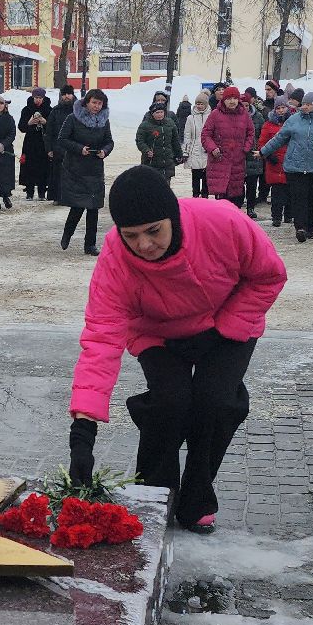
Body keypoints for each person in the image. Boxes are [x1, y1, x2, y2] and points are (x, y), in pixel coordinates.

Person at [68, 166, 289, 535]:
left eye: (154, 230)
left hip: (228, 322)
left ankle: (197, 496)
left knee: (215, 401)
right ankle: (155, 493)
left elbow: (269, 276)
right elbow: (101, 338)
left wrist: (225, 328)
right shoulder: (115, 260)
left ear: (172, 215)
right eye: (131, 235)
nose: (143, 245)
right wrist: (83, 430)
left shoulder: (221, 221)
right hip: (158, 332)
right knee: (170, 402)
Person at [260, 90, 313, 243]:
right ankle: (300, 228)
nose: (304, 107)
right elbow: (279, 138)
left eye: (308, 104)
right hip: (295, 167)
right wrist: (263, 152)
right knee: (298, 198)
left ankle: (311, 228)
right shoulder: (294, 120)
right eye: (303, 104)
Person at [56, 88, 115, 255]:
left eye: (100, 103)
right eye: (94, 102)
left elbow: (109, 141)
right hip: (76, 167)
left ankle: (90, 245)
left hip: (95, 168)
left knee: (93, 208)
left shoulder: (104, 121)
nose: (97, 106)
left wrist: (105, 151)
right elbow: (62, 139)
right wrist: (79, 148)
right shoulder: (73, 118)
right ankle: (67, 234)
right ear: (87, 102)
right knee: (78, 206)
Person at [200, 85, 255, 207]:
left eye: (234, 98)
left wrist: (245, 148)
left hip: (238, 160)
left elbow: (251, 133)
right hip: (220, 160)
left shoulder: (244, 114)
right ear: (223, 100)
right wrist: (212, 148)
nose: (232, 101)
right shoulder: (215, 114)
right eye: (229, 98)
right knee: (222, 197)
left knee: (236, 195)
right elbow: (205, 135)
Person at [255, 99, 290, 227]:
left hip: (290, 161)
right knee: (276, 192)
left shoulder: (292, 123)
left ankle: (288, 215)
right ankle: (276, 216)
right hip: (274, 162)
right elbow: (262, 143)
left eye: (283, 107)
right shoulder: (268, 124)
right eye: (278, 108)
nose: (281, 110)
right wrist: (268, 155)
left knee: (290, 190)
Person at [19, 89, 54, 199]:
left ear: (43, 98)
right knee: (29, 167)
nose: (38, 100)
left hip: (44, 142)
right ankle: (29, 192)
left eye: (40, 98)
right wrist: (29, 123)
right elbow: (21, 127)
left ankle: (42, 192)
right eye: (36, 98)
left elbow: (54, 128)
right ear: (33, 98)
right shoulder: (26, 109)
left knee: (44, 167)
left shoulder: (49, 110)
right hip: (30, 142)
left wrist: (45, 122)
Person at [46, 86, 78, 202]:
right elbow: (49, 131)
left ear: (73, 95)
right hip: (58, 148)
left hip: (75, 148)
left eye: (69, 94)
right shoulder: (55, 111)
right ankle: (58, 197)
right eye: (64, 94)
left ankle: (73, 197)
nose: (66, 96)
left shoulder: (79, 110)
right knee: (58, 174)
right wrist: (49, 148)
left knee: (73, 174)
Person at [135, 102, 180, 182]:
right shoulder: (145, 125)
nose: (160, 114)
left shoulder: (170, 123)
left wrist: (179, 154)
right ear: (152, 114)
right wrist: (147, 150)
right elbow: (140, 141)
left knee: (166, 186)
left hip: (167, 161)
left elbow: (175, 141)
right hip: (151, 161)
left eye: (161, 112)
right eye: (157, 112)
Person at [181, 90, 211, 197]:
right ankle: (195, 196)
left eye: (201, 103)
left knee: (206, 177)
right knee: (195, 176)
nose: (199, 106)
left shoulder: (211, 116)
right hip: (194, 150)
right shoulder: (190, 118)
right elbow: (187, 136)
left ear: (206, 104)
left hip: (207, 150)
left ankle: (205, 197)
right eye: (197, 103)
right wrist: (186, 151)